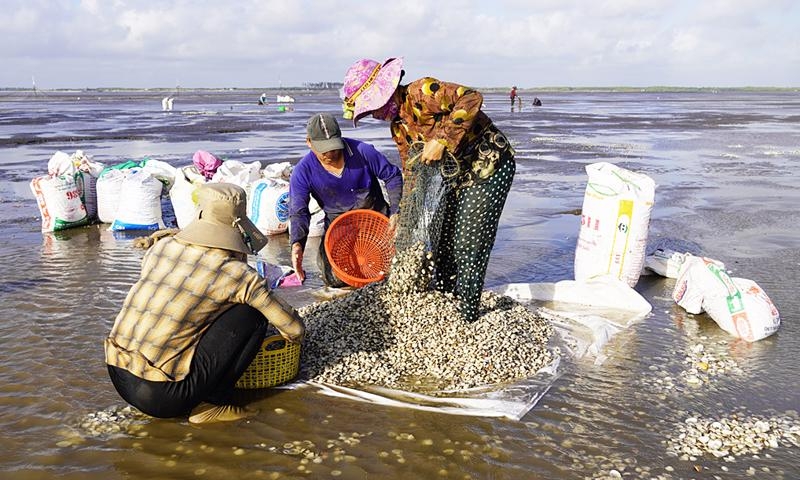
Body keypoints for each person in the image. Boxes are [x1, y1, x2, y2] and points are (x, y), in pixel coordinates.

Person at [104, 183, 305, 424]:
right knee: (251, 315)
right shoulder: (235, 274)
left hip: (118, 372)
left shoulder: (163, 246)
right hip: (161, 396)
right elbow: (295, 329)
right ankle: (211, 405)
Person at [341, 57, 516, 323]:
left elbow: (470, 98)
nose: (374, 115)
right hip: (455, 175)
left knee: (468, 241)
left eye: (372, 108)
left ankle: (468, 316)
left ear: (386, 92)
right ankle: (448, 302)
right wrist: (403, 213)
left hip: (488, 165)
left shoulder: (421, 92)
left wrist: (442, 140)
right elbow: (411, 171)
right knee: (443, 241)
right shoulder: (399, 128)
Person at [289, 112, 403, 287]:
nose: (330, 153)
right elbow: (299, 211)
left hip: (376, 223)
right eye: (323, 150)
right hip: (338, 229)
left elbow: (393, 176)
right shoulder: (303, 172)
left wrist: (396, 212)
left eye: (334, 147)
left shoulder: (362, 152)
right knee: (335, 280)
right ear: (309, 143)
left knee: (393, 273)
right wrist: (297, 244)